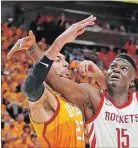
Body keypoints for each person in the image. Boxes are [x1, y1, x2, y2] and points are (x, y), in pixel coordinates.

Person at [8, 14, 138, 147]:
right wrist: (34, 50)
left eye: (123, 68)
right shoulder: (92, 96)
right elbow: (50, 77)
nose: (116, 69)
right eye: (113, 66)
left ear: (132, 80)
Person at [7, 15, 106, 148]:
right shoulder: (44, 98)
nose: (66, 64)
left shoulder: (74, 99)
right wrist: (61, 41)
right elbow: (29, 87)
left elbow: (112, 103)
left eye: (65, 61)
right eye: (58, 60)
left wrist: (98, 74)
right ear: (47, 67)